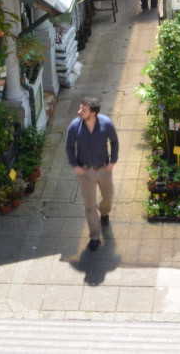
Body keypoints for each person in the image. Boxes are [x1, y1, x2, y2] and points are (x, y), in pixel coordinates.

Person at [64, 96, 118, 251]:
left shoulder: (106, 124)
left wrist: (113, 160)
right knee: (89, 206)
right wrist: (75, 165)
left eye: (83, 110)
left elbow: (114, 142)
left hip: (104, 169)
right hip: (85, 171)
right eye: (80, 108)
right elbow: (69, 147)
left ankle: (105, 212)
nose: (79, 111)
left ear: (93, 114)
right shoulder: (74, 126)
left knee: (108, 197)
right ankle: (94, 236)